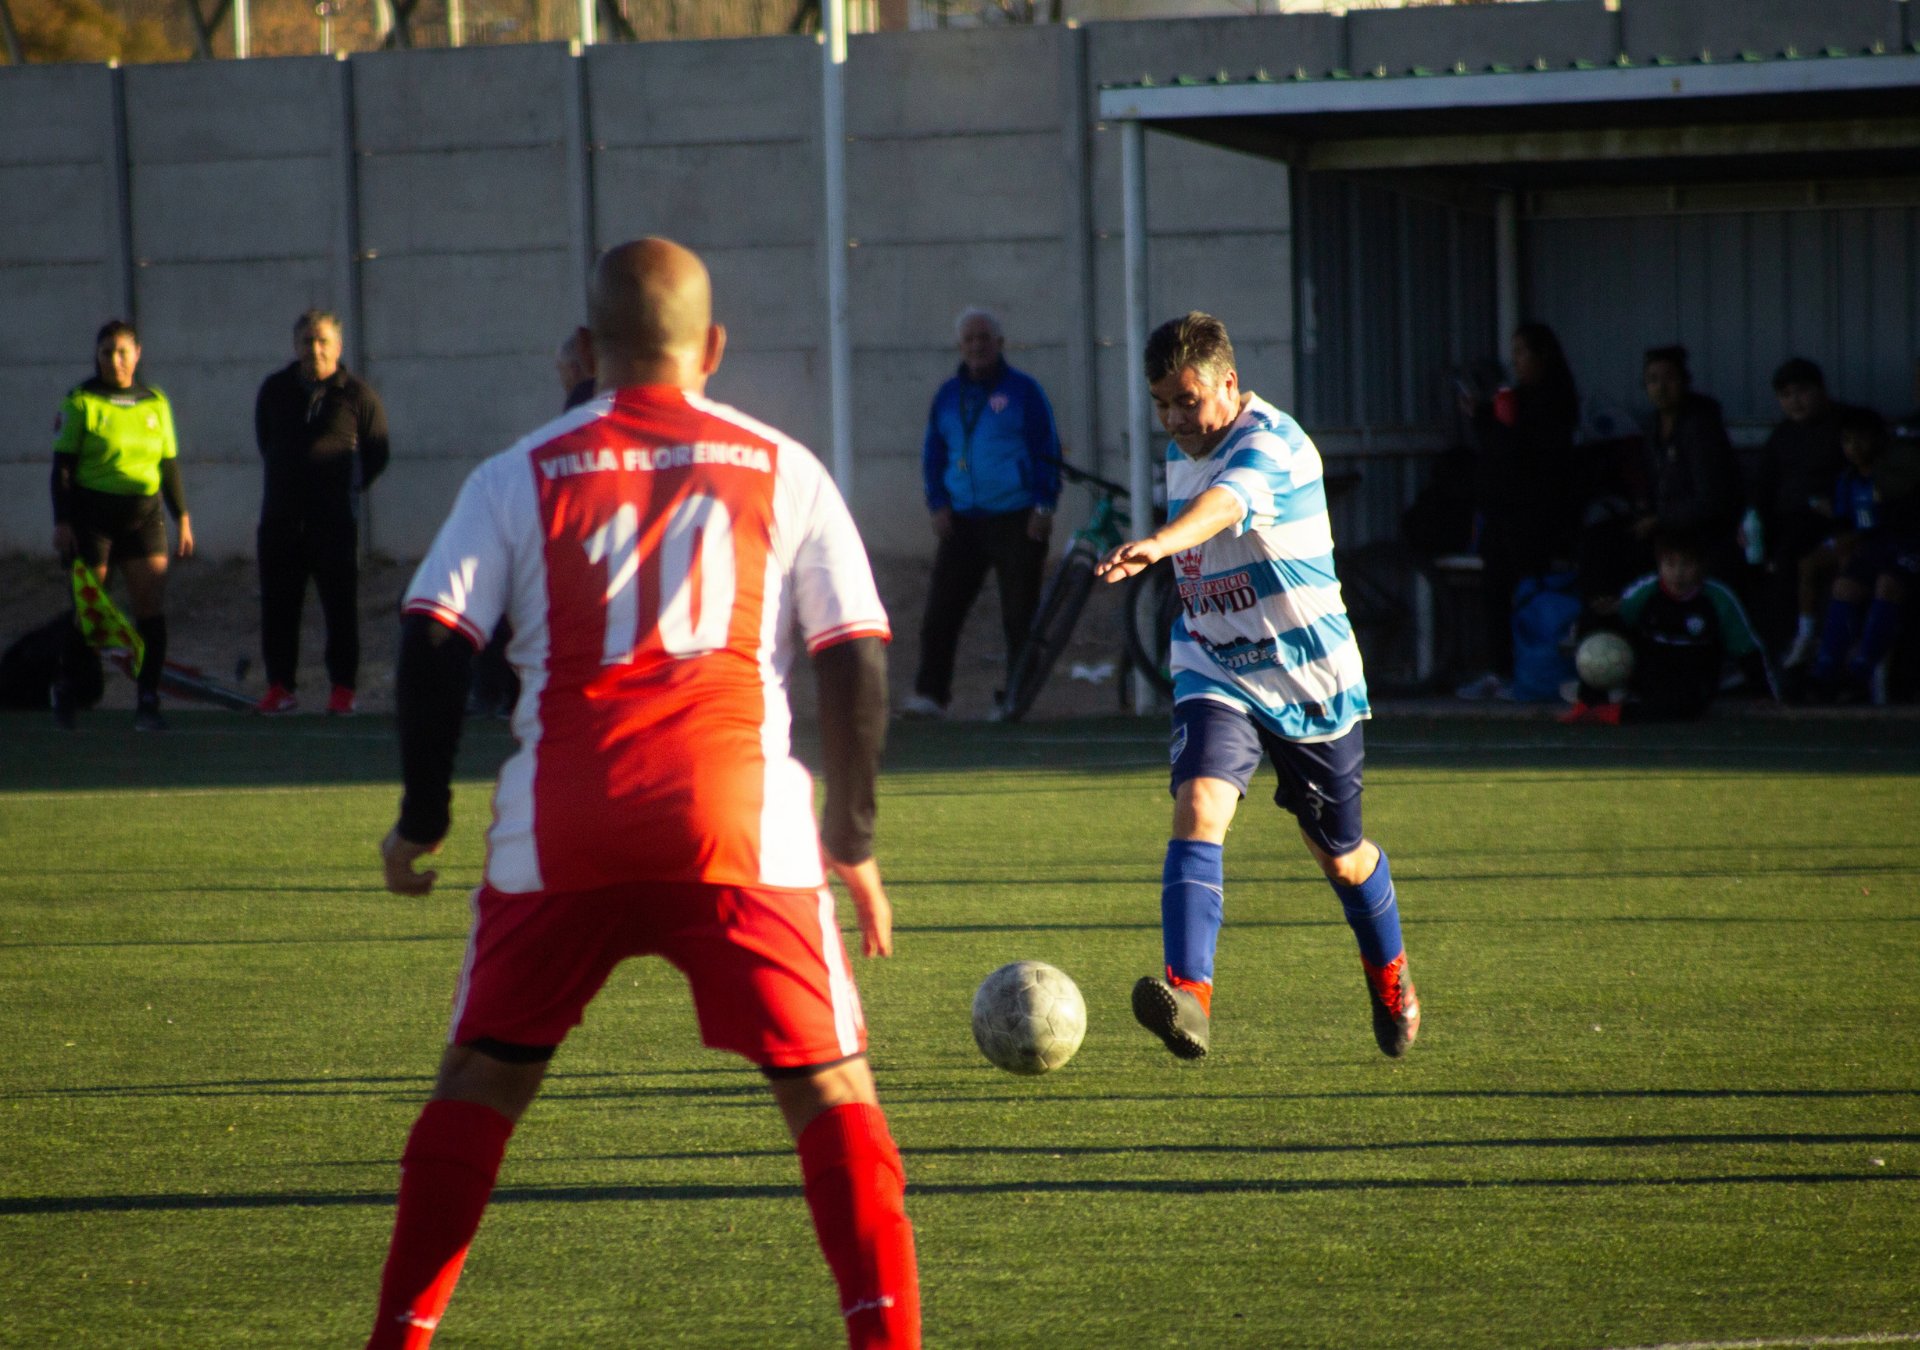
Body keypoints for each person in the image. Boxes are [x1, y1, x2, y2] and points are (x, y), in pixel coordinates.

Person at [363, 239, 917, 1350]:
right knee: (832, 1090)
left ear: (587, 348)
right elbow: (855, 651)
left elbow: (432, 637)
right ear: (713, 347)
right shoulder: (784, 466)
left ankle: (398, 1338)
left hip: (563, 825)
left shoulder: (518, 473)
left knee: (479, 1080)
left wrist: (421, 819)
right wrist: (850, 839)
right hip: (737, 826)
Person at [1094, 312, 1419, 1062]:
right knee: (1198, 805)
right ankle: (1190, 996)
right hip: (1214, 660)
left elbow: (1224, 506)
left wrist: (1158, 544)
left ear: (1229, 384)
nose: (1175, 420)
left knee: (1340, 857)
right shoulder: (1183, 448)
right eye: (1162, 405)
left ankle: (1390, 972)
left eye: (1187, 401)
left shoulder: (1271, 445)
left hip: (1306, 675)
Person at [904, 308, 1062, 718]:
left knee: (1020, 615)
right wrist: (937, 504)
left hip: (1017, 517)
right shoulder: (946, 395)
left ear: (999, 343)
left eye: (984, 337)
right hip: (961, 521)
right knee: (940, 612)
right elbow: (932, 454)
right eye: (970, 339)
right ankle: (930, 695)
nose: (977, 346)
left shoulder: (1024, 391)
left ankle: (1017, 699)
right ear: (960, 346)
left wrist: (1044, 505)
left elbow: (1047, 450)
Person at [49, 319, 194, 731]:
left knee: (150, 607)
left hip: (143, 518)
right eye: (106, 352)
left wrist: (182, 517)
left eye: (122, 351)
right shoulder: (81, 401)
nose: (115, 360)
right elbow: (62, 469)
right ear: (97, 356)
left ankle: (147, 700)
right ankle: (65, 686)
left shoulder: (155, 401)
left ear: (137, 354)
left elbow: (168, 464)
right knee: (90, 612)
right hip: (92, 518)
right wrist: (62, 522)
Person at [251, 309, 390, 716]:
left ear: (338, 346)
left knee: (340, 609)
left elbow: (377, 452)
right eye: (307, 341)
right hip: (280, 522)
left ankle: (342, 689)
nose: (315, 349)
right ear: (295, 346)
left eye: (323, 341)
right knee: (278, 608)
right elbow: (265, 441)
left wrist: (341, 488)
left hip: (333, 524)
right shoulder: (275, 389)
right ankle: (280, 687)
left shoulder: (357, 395)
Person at [1454, 322, 1580, 700]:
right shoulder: (1514, 399)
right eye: (1514, 354)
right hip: (1501, 515)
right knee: (1495, 592)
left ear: (1544, 355)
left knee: (1531, 595)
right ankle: (1500, 671)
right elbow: (1497, 449)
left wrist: (1497, 422)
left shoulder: (1554, 402)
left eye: (1523, 353)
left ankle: (1533, 672)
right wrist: (1483, 416)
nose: (1516, 362)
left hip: (1534, 517)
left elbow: (1522, 454)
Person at [1562, 525, 1772, 725]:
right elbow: (1616, 623)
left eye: (1686, 564)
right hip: (1650, 673)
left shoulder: (1719, 598)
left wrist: (1763, 694)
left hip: (1693, 681)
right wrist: (1604, 616)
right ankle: (1588, 702)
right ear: (1660, 565)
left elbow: (1747, 649)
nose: (1678, 573)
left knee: (1681, 708)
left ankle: (1606, 714)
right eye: (1670, 564)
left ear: (1701, 566)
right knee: (1593, 623)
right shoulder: (1646, 591)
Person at [1805, 406, 1920, 702]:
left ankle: (1860, 674)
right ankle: (1823, 674)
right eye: (1846, 440)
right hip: (1874, 550)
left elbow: (1900, 522)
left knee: (1888, 584)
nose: (1854, 448)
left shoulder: (1895, 474)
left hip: (1906, 546)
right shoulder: (1848, 480)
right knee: (1844, 586)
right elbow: (1844, 523)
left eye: (1861, 439)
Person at [1747, 358, 1849, 664]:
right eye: (1786, 395)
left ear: (1821, 390)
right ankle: (1753, 652)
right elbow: (1762, 485)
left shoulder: (1846, 425)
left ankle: (1787, 648)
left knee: (1786, 557)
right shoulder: (1783, 435)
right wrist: (1749, 518)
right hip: (1782, 518)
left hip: (1826, 519)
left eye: (1802, 391)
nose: (1795, 401)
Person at [1638, 346, 1743, 577]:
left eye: (1669, 378)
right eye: (1653, 380)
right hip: (1668, 524)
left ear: (1684, 381)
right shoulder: (1652, 427)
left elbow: (1710, 502)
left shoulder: (1700, 426)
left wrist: (1659, 519)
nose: (1661, 388)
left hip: (1704, 530)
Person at [556, 329, 596, 411]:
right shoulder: (613, 393)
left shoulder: (577, 403)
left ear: (573, 369)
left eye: (561, 371)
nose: (561, 380)